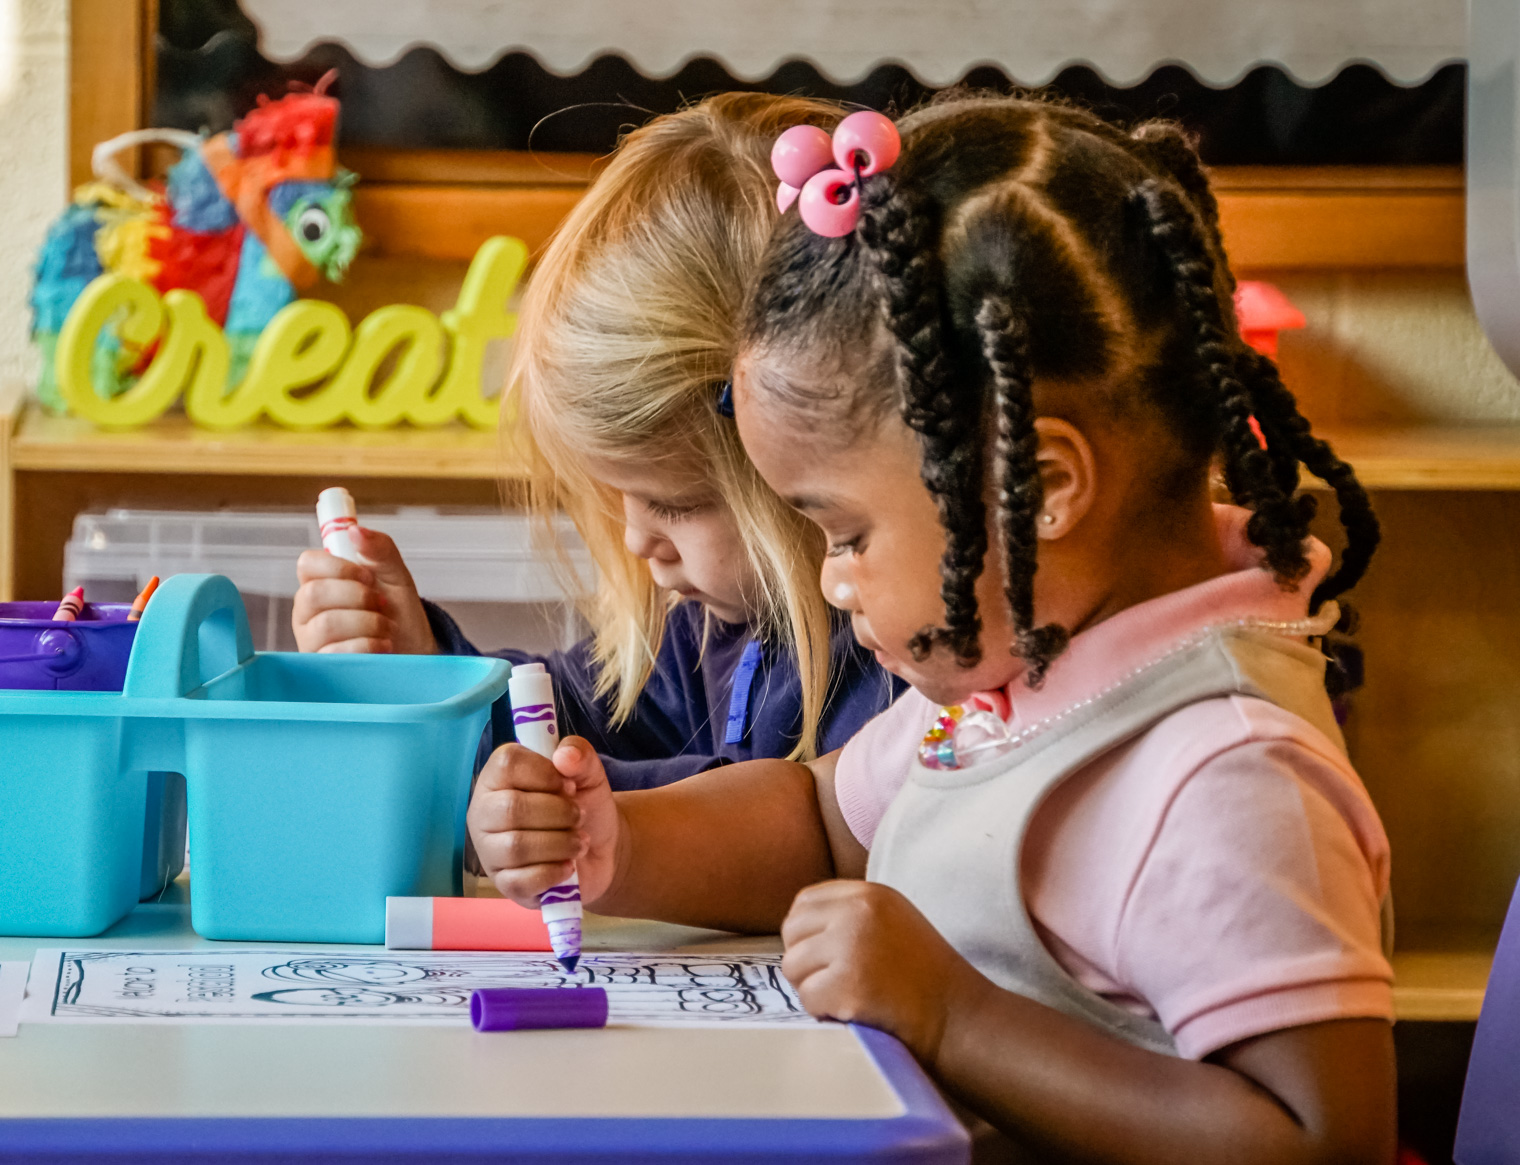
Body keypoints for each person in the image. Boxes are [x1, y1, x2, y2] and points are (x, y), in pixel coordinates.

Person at [468, 94, 1395, 1162]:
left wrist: (956, 1017)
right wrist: (619, 845)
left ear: (1042, 487)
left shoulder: (1224, 773)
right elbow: (819, 819)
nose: (830, 580)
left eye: (848, 532)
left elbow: (1324, 1142)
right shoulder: (1015, 685)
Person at [293, 94, 897, 790]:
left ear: (808, 455)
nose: (639, 538)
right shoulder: (706, 632)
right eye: (620, 494)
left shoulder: (895, 666)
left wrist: (588, 806)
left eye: (673, 502)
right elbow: (570, 718)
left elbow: (769, 824)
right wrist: (426, 663)